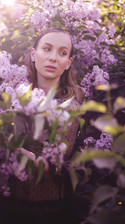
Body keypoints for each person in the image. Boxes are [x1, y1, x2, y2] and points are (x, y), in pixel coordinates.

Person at [8, 27, 83, 224]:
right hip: (10, 206)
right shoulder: (16, 97)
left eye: (62, 53)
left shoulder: (69, 108)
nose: (53, 58)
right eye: (47, 49)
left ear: (68, 63)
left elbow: (56, 168)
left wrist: (10, 146)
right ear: (33, 54)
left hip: (50, 211)